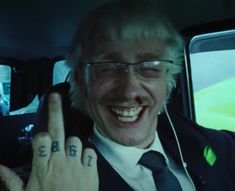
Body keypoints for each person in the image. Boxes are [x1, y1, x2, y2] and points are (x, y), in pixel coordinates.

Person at [0, 0, 235, 190]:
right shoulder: (53, 180)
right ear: (82, 81)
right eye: (107, 68)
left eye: (150, 66)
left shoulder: (200, 139)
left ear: (167, 78)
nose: (129, 91)